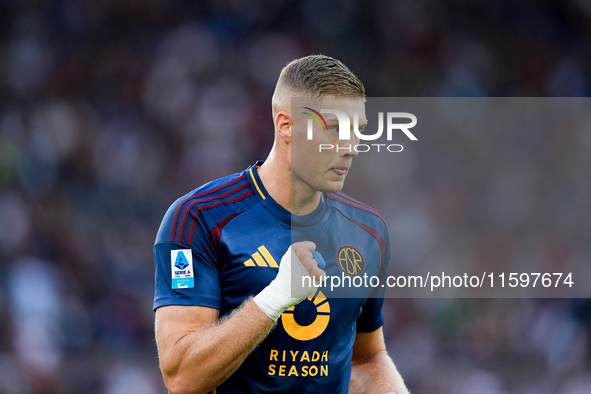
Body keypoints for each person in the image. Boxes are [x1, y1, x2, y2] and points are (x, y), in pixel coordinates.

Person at [153, 54, 409, 394]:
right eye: (335, 128)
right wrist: (275, 298)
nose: (352, 148)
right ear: (286, 125)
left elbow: (366, 359)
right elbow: (182, 377)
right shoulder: (199, 218)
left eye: (358, 131)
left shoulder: (368, 231)